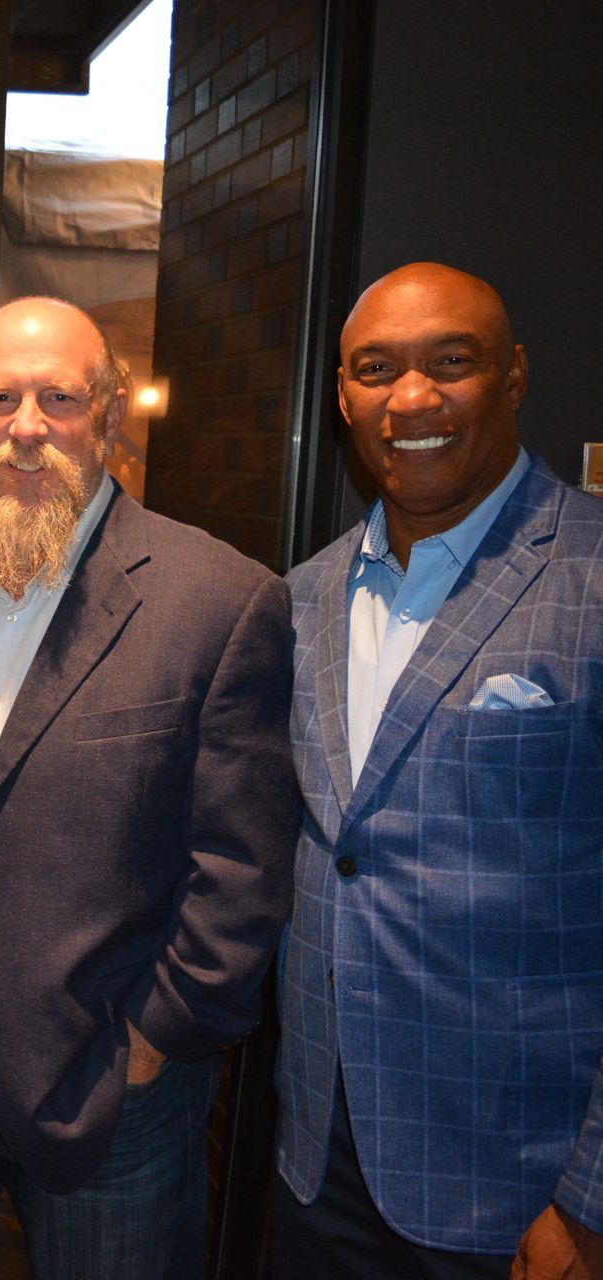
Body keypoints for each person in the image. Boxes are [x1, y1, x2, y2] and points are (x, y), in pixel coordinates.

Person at [0, 296, 296, 1278]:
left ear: (111, 416)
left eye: (59, 398)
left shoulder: (217, 599)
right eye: (1, 398)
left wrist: (156, 1037)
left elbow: (244, 867)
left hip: (104, 1084)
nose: (27, 426)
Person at [273, 263, 603, 1279]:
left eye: (449, 364)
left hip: (517, 1194)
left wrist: (587, 1199)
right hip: (319, 1159)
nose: (411, 399)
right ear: (342, 397)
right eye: (377, 369)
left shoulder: (589, 576)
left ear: (513, 376)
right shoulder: (303, 596)